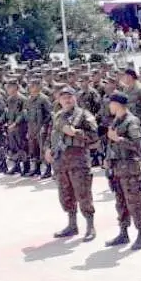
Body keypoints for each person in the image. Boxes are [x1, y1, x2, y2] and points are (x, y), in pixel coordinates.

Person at [47, 87, 99, 240]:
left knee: (83, 194)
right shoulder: (58, 116)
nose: (67, 100)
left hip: (78, 161)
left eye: (69, 97)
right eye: (63, 98)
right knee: (65, 195)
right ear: (59, 100)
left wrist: (76, 133)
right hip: (61, 162)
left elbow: (95, 136)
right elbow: (51, 134)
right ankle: (72, 225)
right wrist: (47, 149)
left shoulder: (83, 115)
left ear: (75, 98)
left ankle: (90, 226)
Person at [104, 92, 141, 250]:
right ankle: (123, 232)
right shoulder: (116, 120)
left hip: (129, 169)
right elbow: (111, 144)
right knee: (120, 202)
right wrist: (108, 160)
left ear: (117, 104)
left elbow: (137, 146)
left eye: (111, 103)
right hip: (116, 168)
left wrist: (119, 139)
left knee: (134, 202)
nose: (109, 106)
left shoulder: (132, 121)